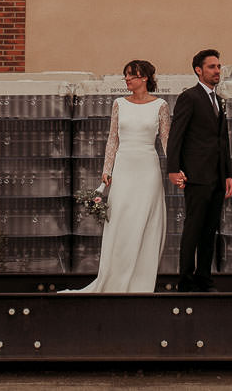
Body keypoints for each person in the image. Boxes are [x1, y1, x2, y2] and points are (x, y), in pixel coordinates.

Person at [61, 60, 172, 293]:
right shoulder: (119, 103)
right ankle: (115, 277)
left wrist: (176, 167)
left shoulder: (160, 105)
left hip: (148, 168)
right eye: (126, 76)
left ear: (144, 78)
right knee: (121, 222)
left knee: (146, 221)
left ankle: (141, 282)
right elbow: (113, 138)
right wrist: (106, 171)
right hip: (123, 167)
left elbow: (166, 141)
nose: (127, 79)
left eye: (131, 75)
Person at [166, 48, 232, 291]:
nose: (217, 71)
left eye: (218, 66)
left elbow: (222, 140)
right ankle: (185, 280)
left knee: (210, 229)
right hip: (196, 175)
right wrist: (173, 169)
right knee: (193, 227)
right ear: (199, 70)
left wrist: (228, 174)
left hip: (217, 175)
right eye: (212, 67)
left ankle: (205, 279)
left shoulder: (219, 100)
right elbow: (177, 136)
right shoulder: (190, 97)